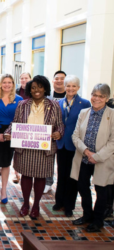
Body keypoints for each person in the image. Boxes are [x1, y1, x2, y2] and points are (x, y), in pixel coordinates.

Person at [4, 75, 64, 219]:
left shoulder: (54, 105)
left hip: (44, 147)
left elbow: (60, 124)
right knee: (26, 175)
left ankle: (36, 205)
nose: (37, 90)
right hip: (26, 146)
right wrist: (8, 132)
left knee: (40, 177)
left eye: (40, 87)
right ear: (30, 90)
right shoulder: (22, 104)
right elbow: (15, 122)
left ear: (45, 88)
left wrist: (58, 133)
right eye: (33, 87)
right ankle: (25, 204)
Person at [71, 83, 114, 232]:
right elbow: (75, 136)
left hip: (103, 160)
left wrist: (98, 156)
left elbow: (113, 141)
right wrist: (87, 152)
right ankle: (87, 215)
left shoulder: (112, 115)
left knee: (101, 190)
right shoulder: (84, 112)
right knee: (82, 187)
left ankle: (98, 220)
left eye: (101, 96)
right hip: (84, 157)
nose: (96, 98)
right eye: (94, 95)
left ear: (106, 98)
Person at [54, 75, 91, 217]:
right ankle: (59, 201)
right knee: (61, 174)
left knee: (72, 176)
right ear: (64, 87)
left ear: (78, 88)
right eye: (68, 86)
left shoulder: (85, 103)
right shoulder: (58, 103)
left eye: (73, 86)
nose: (70, 88)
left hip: (76, 145)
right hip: (61, 144)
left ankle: (69, 205)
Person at [0, 74, 23, 204]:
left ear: (13, 84)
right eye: (4, 82)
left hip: (11, 134)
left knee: (5, 163)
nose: (7, 85)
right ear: (0, 84)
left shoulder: (19, 99)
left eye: (9, 82)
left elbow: (20, 119)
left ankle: (4, 191)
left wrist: (10, 133)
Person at [44, 70, 67, 193]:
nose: (59, 81)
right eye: (56, 78)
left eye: (62, 78)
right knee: (48, 160)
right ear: (52, 81)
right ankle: (48, 182)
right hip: (48, 135)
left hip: (65, 136)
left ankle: (62, 185)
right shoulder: (46, 97)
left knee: (63, 163)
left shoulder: (70, 97)